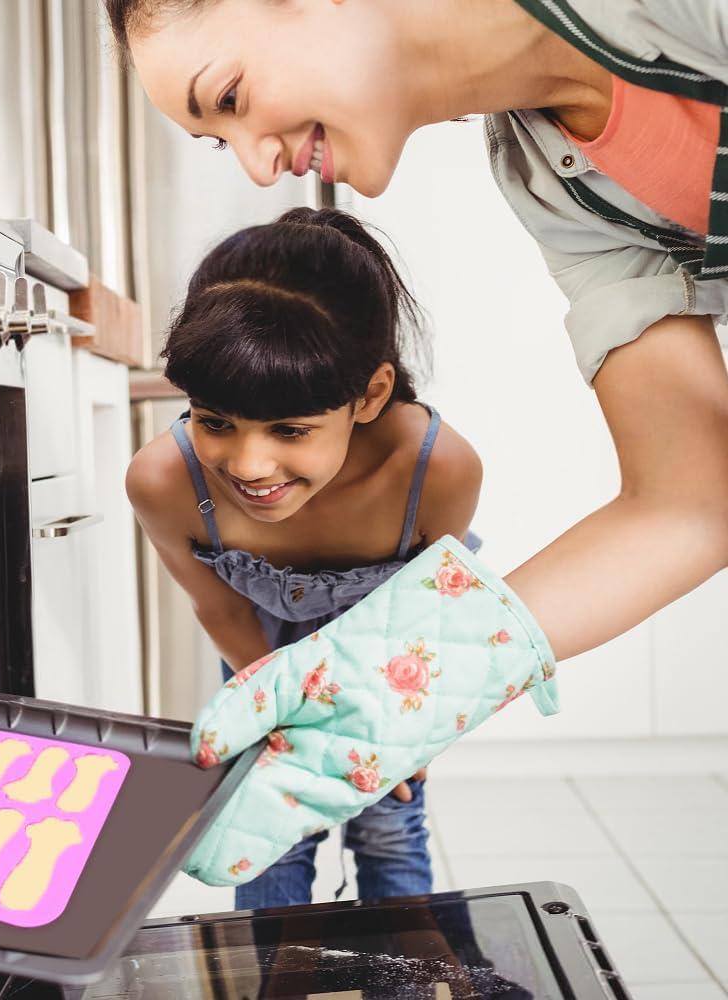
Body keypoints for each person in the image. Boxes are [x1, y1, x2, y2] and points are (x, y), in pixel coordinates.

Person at [107, 0, 728, 886]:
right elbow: (690, 504)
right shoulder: (551, 183)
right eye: (217, 140)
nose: (256, 164)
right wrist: (413, 686)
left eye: (232, 95)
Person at [126, 207, 483, 907]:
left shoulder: (435, 469)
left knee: (389, 827)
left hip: (390, 670)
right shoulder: (163, 481)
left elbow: (433, 613)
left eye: (290, 428)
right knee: (264, 836)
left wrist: (401, 730)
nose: (250, 464)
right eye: (215, 420)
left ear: (370, 395)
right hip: (260, 658)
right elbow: (219, 604)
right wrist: (279, 717)